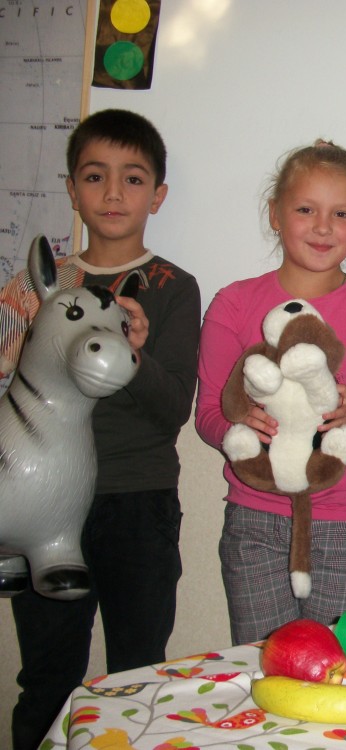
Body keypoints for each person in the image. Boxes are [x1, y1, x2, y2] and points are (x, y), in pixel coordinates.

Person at [0, 108, 201, 750]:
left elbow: (174, 410)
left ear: (157, 195)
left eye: (133, 179)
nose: (113, 193)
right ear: (71, 189)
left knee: (138, 678)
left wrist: (133, 354)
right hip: (43, 509)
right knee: (47, 679)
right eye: (95, 176)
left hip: (136, 502)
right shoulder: (37, 289)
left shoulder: (174, 288)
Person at [195, 140, 346, 646]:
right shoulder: (233, 303)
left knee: (335, 666)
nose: (323, 227)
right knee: (263, 660)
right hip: (254, 520)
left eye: (341, 214)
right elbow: (207, 414)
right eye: (305, 210)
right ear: (275, 214)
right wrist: (237, 420)